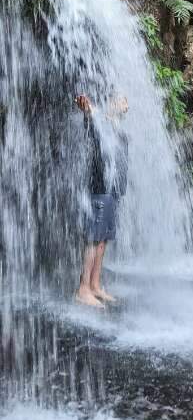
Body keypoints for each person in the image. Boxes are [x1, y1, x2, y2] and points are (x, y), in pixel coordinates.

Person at [75, 94, 129, 308]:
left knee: (103, 239)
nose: (127, 105)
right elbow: (91, 121)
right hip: (99, 189)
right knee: (93, 238)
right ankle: (83, 289)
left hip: (112, 192)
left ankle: (95, 284)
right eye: (122, 100)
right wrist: (88, 111)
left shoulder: (117, 129)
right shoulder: (100, 122)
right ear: (111, 103)